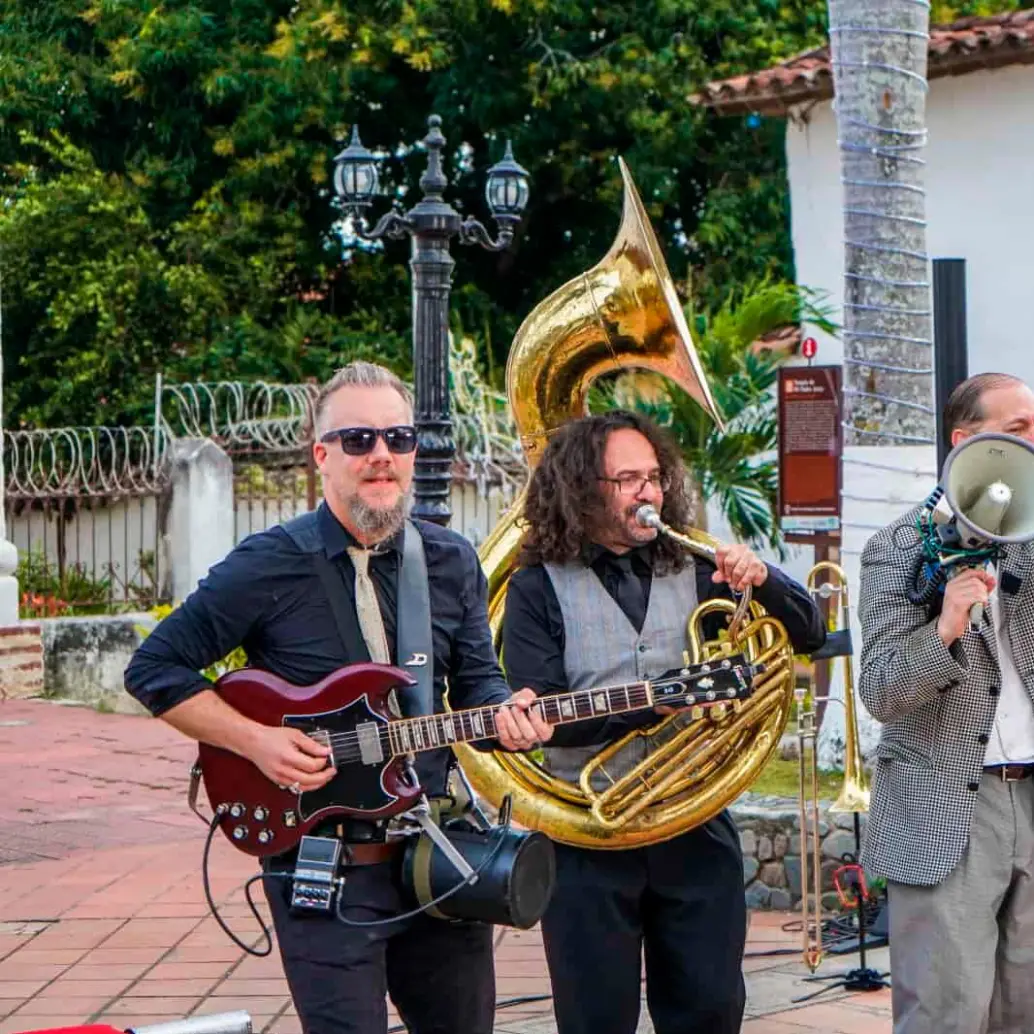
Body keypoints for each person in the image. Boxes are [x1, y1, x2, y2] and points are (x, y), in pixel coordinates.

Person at [124, 360, 553, 1034]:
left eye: (399, 438)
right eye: (358, 440)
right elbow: (155, 669)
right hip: (320, 865)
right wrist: (258, 742)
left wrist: (509, 716)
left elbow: (478, 684)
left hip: (434, 857)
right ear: (321, 455)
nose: (381, 456)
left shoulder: (450, 560)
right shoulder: (267, 563)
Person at [501, 409, 826, 1034]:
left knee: (710, 1009)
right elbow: (546, 717)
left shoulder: (697, 563)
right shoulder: (537, 586)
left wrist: (767, 581)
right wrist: (659, 702)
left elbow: (810, 631)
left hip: (695, 825)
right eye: (627, 479)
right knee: (595, 1018)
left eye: (653, 476)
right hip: (586, 840)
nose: (648, 491)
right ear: (580, 488)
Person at [859, 371, 1034, 1034]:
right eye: (1017, 430)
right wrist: (943, 630)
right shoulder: (897, 549)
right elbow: (880, 689)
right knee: (946, 1015)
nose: (1033, 442)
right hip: (948, 812)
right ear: (965, 443)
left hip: (1030, 797)